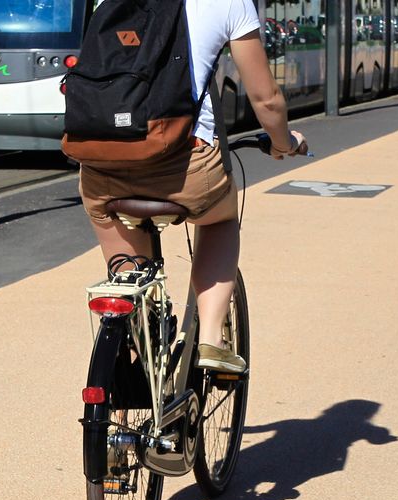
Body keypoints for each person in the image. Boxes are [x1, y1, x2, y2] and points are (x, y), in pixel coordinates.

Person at [78, 0, 308, 375]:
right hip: (186, 169)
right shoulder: (229, 2)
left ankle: (133, 356)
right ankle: (213, 340)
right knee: (220, 216)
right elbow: (266, 99)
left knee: (114, 236)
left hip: (105, 167)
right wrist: (283, 142)